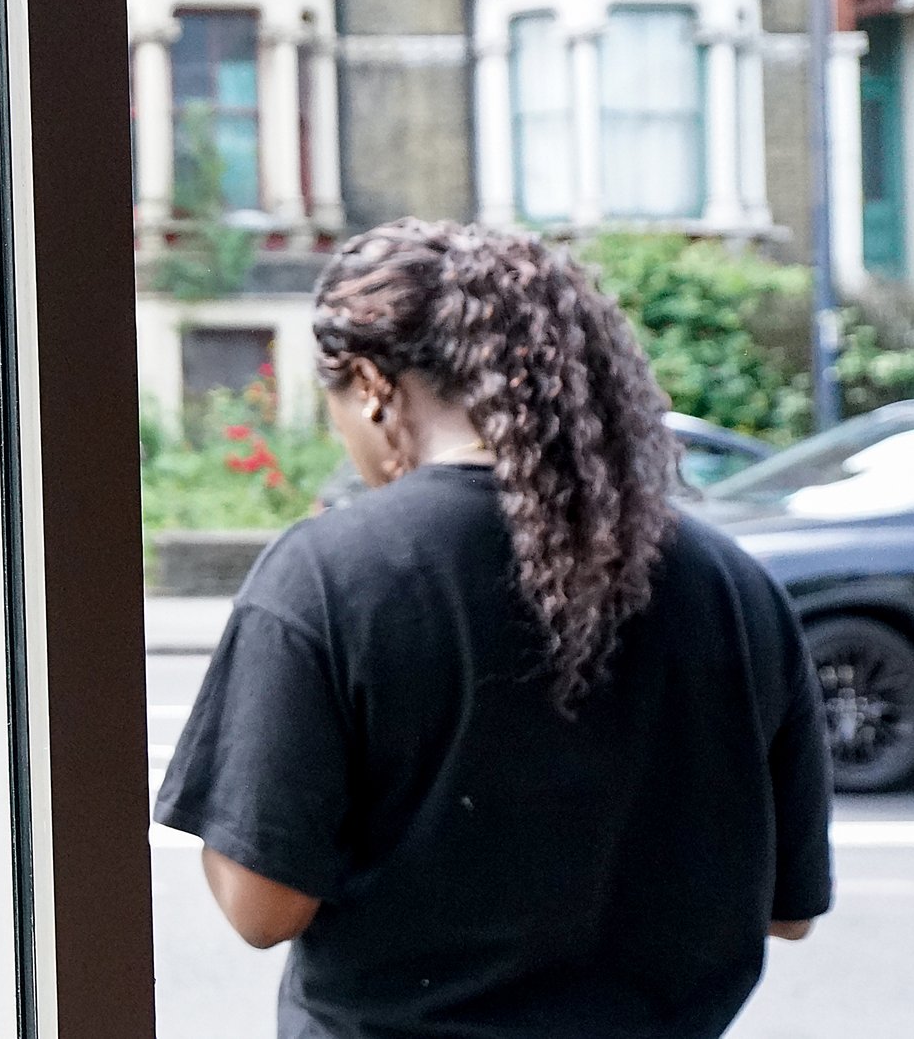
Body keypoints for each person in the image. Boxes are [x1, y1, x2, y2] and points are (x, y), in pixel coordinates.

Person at [155, 219, 831, 1039]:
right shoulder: (733, 584)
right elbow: (786, 912)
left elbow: (264, 906)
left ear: (370, 384)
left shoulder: (328, 573)